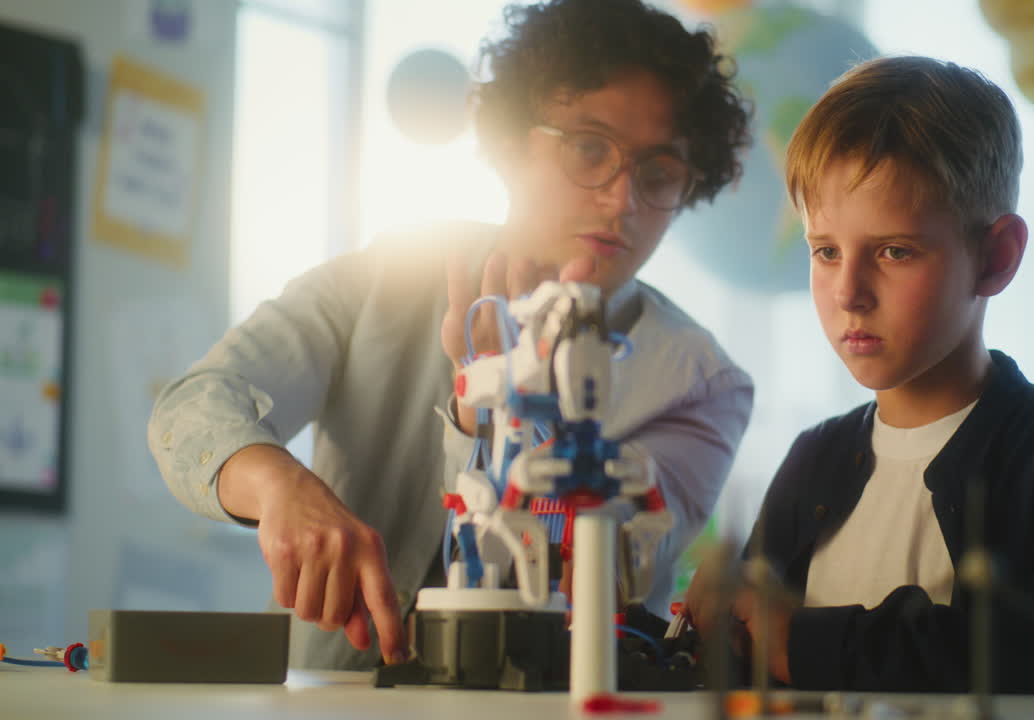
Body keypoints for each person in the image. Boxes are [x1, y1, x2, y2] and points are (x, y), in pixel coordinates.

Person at [148, 0, 754, 671]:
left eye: (658, 173)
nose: (621, 201)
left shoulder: (702, 383)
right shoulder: (389, 276)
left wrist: (495, 420)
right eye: (589, 149)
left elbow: (604, 565)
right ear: (513, 141)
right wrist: (278, 488)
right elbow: (194, 406)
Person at [685, 55, 1034, 693]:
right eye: (826, 251)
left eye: (894, 251)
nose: (848, 292)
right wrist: (718, 624)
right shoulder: (814, 458)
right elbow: (750, 654)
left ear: (995, 258)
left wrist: (802, 642)